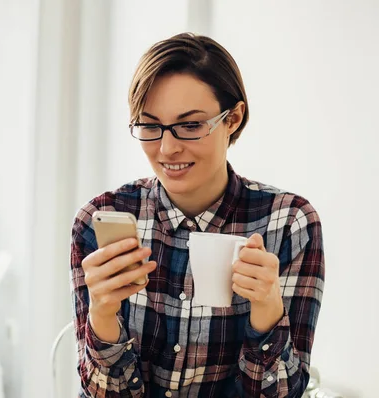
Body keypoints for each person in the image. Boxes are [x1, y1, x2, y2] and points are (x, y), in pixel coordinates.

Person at [70, 33, 324, 398]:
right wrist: (103, 317)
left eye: (190, 126)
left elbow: (282, 394)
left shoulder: (289, 223)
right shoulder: (99, 218)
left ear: (233, 118)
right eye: (150, 126)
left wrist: (267, 310)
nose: (167, 148)